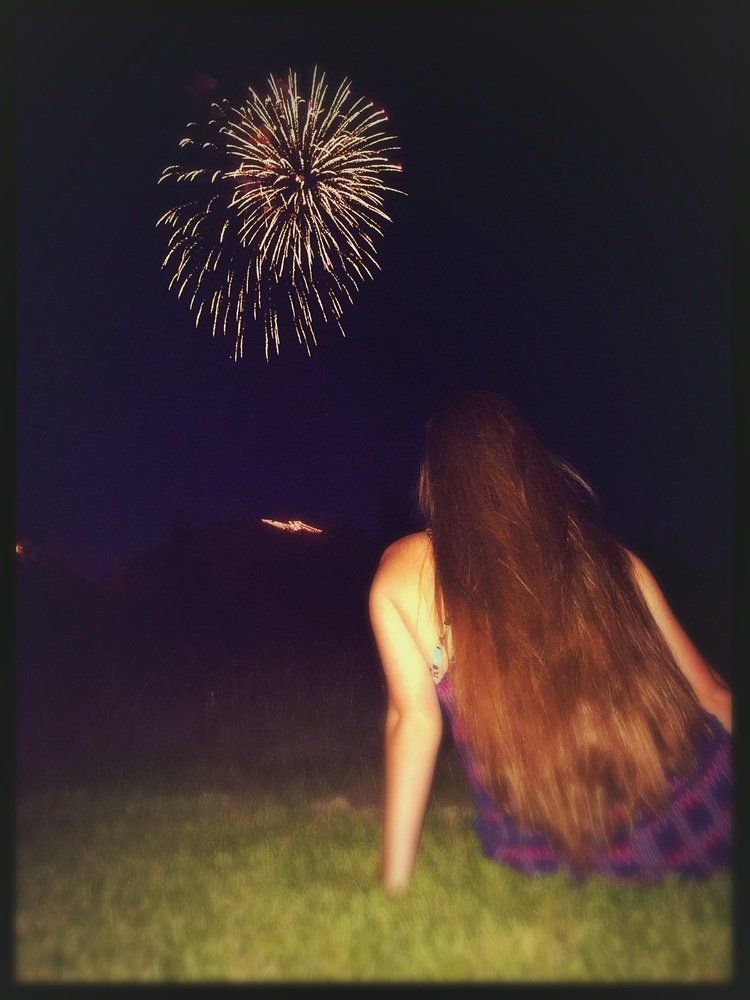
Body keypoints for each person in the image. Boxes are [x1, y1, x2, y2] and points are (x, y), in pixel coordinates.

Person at [368, 391, 731, 894]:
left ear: (436, 478)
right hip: (699, 819)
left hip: (545, 849)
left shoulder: (404, 570)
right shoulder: (612, 562)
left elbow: (414, 723)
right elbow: (711, 695)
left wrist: (394, 884)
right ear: (530, 465)